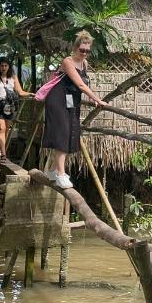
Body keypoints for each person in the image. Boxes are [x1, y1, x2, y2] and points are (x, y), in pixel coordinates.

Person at [41, 31, 107, 189]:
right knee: (62, 134)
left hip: (71, 101)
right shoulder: (67, 61)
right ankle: (61, 174)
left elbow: (85, 82)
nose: (84, 53)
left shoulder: (84, 63)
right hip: (58, 99)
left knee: (71, 131)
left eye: (87, 51)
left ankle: (53, 171)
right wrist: (97, 99)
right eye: (81, 50)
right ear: (75, 48)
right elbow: (81, 85)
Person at [0, 57, 34, 161]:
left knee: (6, 129)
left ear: (9, 67)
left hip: (9, 105)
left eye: (5, 66)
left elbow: (20, 92)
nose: (3, 68)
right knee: (1, 128)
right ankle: (3, 154)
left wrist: (30, 94)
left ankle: (1, 149)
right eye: (1, 65)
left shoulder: (13, 77)